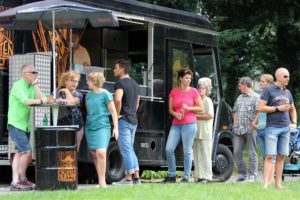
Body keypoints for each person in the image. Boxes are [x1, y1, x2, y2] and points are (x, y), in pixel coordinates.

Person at [7, 64, 47, 191]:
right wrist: (41, 101)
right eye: (33, 72)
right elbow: (26, 101)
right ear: (25, 74)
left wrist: (36, 85)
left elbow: (43, 98)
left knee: (19, 152)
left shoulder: (31, 86)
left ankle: (19, 180)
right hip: (15, 123)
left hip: (25, 125)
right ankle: (16, 181)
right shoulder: (18, 85)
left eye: (37, 72)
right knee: (26, 151)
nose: (36, 74)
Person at [258, 67, 297, 189]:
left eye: (289, 76)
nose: (288, 79)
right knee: (270, 156)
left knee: (281, 156)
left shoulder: (287, 92)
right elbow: (260, 108)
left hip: (285, 128)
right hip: (272, 128)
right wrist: (276, 109)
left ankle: (278, 184)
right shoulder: (268, 90)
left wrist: (294, 122)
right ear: (278, 76)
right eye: (285, 76)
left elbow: (293, 109)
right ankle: (265, 184)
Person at [162, 68, 202, 183]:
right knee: (169, 149)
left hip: (189, 124)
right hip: (176, 124)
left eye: (190, 78)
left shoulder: (194, 91)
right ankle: (171, 175)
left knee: (187, 151)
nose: (189, 80)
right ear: (180, 78)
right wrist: (175, 114)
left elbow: (201, 108)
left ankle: (186, 177)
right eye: (186, 78)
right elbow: (170, 109)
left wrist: (189, 108)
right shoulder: (174, 91)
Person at [85, 72, 119, 188]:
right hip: (90, 127)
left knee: (101, 152)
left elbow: (113, 112)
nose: (87, 82)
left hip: (103, 127)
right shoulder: (88, 95)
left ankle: (102, 181)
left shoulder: (106, 94)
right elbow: (89, 112)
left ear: (94, 81)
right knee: (94, 154)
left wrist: (116, 128)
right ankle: (100, 179)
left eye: (88, 80)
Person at [113, 59, 141, 185]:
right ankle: (136, 177)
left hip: (124, 119)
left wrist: (117, 114)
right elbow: (137, 103)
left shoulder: (120, 83)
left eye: (116, 67)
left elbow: (118, 99)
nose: (114, 70)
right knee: (130, 148)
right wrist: (131, 111)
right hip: (133, 119)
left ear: (122, 69)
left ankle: (128, 178)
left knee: (125, 149)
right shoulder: (135, 84)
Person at [232, 77, 259, 182]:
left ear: (245, 85)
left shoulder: (256, 97)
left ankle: (252, 176)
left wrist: (254, 123)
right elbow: (235, 111)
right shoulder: (239, 97)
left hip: (250, 129)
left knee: (252, 153)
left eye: (240, 85)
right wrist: (235, 124)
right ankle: (242, 174)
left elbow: (259, 112)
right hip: (238, 130)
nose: (239, 88)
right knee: (236, 152)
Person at [253, 74, 274, 183]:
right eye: (260, 81)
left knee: (270, 155)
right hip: (260, 129)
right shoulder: (262, 95)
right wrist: (255, 122)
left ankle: (271, 179)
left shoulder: (272, 95)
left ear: (269, 83)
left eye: (262, 81)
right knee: (265, 155)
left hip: (269, 129)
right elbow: (260, 110)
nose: (260, 83)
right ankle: (268, 179)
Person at [56, 71, 84, 152]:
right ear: (65, 81)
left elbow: (73, 101)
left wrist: (66, 91)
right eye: (72, 81)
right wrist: (58, 100)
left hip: (77, 125)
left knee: (74, 149)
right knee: (62, 149)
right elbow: (49, 100)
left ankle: (72, 165)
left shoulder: (78, 94)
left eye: (76, 81)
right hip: (62, 124)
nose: (75, 83)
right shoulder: (58, 91)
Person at [193, 78, 214, 183]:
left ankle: (207, 176)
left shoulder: (207, 100)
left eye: (203, 88)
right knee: (197, 154)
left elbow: (210, 115)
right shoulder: (197, 101)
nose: (201, 90)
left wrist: (197, 116)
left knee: (205, 154)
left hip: (205, 131)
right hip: (196, 131)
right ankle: (199, 175)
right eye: (199, 88)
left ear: (206, 90)